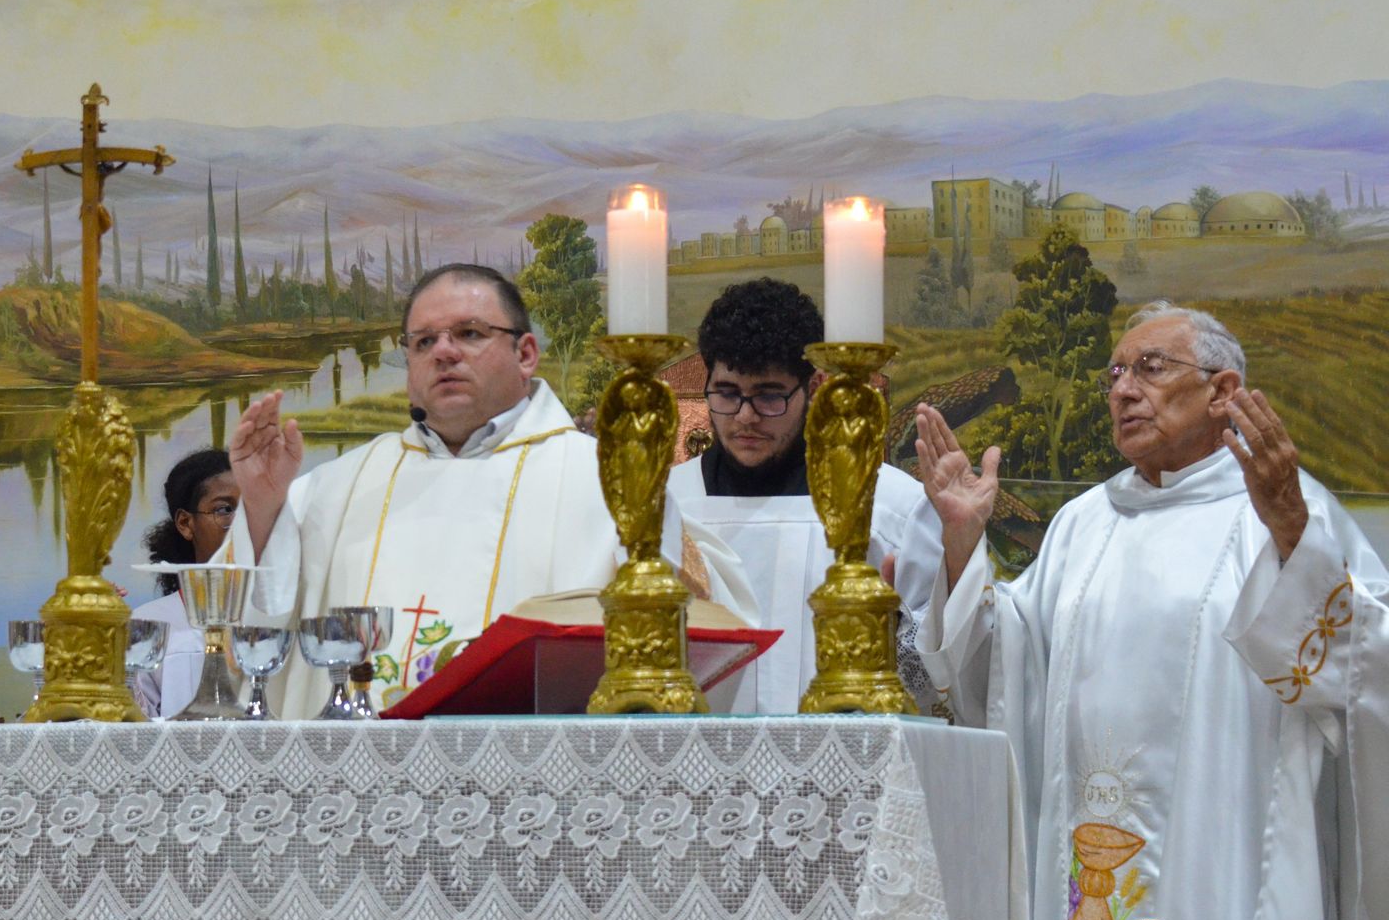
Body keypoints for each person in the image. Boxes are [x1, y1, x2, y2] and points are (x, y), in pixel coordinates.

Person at [915, 301, 1389, 920]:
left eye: (1150, 367)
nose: (1123, 390)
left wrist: (1292, 532)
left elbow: (1363, 670)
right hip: (1087, 846)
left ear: (1223, 391)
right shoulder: (1083, 521)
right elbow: (1002, 673)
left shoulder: (1287, 509)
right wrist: (963, 542)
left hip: (1227, 851)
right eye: (1114, 374)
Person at [223, 263, 755, 719]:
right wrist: (264, 508)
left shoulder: (608, 477)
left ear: (526, 353)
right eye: (423, 342)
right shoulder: (339, 486)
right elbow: (249, 636)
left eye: (470, 333)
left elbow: (705, 628)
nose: (444, 352)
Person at [666, 278, 944, 713]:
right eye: (727, 393)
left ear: (813, 387)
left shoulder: (887, 506)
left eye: (768, 396)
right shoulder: (667, 504)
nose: (745, 417)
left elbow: (943, 670)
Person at [130, 449, 238, 719]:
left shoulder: (277, 618)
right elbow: (133, 728)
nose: (242, 522)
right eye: (225, 509)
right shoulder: (148, 625)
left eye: (251, 509)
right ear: (186, 523)